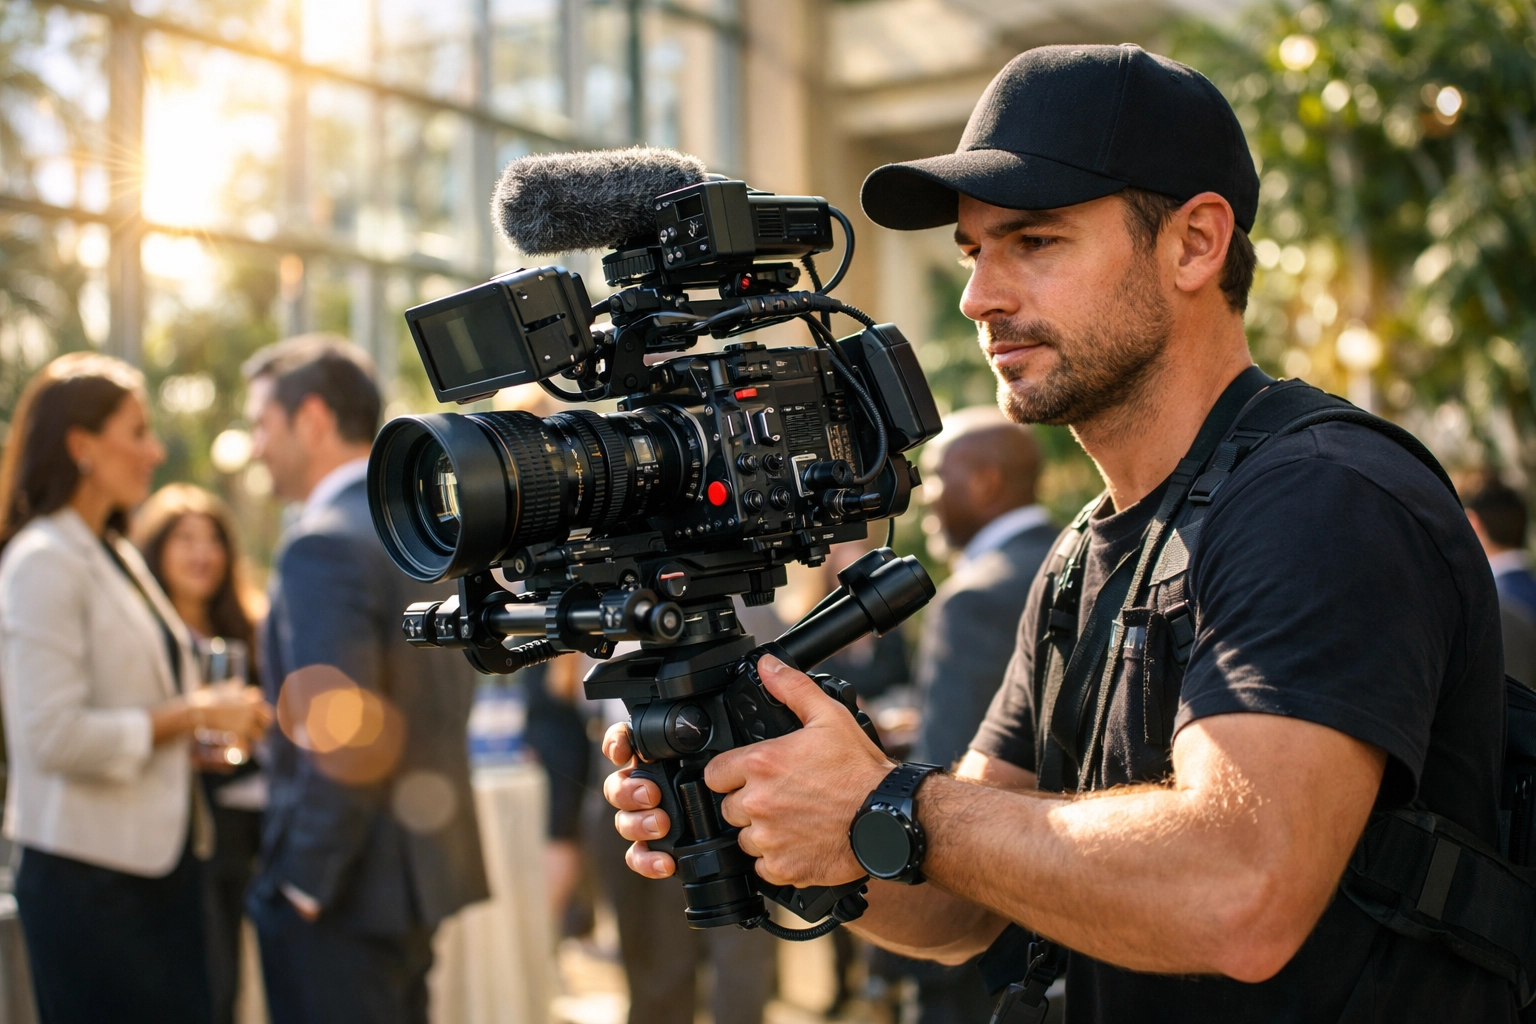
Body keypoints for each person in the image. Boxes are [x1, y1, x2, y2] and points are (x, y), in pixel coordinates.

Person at [605, 44, 1515, 1022]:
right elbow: (960, 907)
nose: (979, 297)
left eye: (1034, 241)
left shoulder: (1322, 498)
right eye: (973, 251)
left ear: (1195, 244)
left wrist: (892, 803)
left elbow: (1238, 892)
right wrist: (772, 804)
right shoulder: (1084, 555)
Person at [0, 353, 270, 1024]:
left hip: (156, 866)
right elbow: (51, 737)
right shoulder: (42, 560)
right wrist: (193, 713)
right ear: (82, 445)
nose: (155, 451)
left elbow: (131, 705)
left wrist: (199, 736)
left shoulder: (115, 553)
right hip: (90, 881)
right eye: (138, 432)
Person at [240, 334, 489, 1024]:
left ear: (312, 419)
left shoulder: (321, 545)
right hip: (414, 876)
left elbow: (340, 732)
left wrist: (303, 882)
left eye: (262, 423)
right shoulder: (427, 532)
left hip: (345, 893)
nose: (255, 446)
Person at [869, 407, 1056, 1024]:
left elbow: (945, 771)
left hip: (980, 935)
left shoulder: (974, 597)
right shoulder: (1074, 561)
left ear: (985, 481)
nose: (925, 501)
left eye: (937, 479)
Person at [132, 483, 267, 1024]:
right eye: (185, 540)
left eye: (212, 540)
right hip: (177, 831)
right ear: (157, 549)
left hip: (243, 829)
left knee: (228, 980)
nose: (201, 554)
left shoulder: (247, 628)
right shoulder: (143, 636)